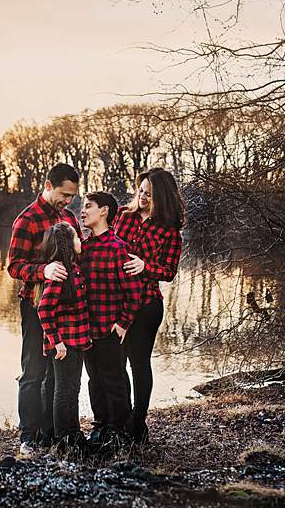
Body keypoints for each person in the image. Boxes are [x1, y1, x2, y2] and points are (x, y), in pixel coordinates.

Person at [7, 163, 80, 457]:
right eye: (64, 194)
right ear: (48, 186)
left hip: (66, 308)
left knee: (55, 372)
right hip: (36, 304)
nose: (68, 201)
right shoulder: (27, 220)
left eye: (73, 196)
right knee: (33, 370)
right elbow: (14, 266)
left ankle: (49, 433)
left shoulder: (69, 218)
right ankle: (28, 435)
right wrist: (44, 270)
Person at [114, 168, 184, 443]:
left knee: (139, 363)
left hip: (146, 305)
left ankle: (137, 423)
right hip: (117, 304)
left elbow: (168, 271)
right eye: (141, 191)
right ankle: (119, 418)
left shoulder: (170, 231)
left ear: (162, 198)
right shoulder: (122, 215)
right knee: (115, 364)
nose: (142, 197)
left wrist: (145, 266)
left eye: (149, 195)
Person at [79, 191, 142, 447]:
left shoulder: (118, 249)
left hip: (110, 328)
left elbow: (134, 293)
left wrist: (123, 323)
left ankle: (119, 428)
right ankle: (100, 425)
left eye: (88, 206)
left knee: (114, 379)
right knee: (94, 380)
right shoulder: (83, 247)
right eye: (83, 206)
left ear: (104, 211)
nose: (83, 211)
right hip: (86, 329)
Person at [35, 222, 91, 452]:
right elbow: (44, 310)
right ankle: (64, 441)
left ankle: (73, 434)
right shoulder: (60, 272)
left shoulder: (73, 268)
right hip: (65, 344)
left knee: (72, 390)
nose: (81, 241)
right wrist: (57, 341)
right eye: (77, 238)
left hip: (76, 340)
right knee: (65, 392)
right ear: (69, 245)